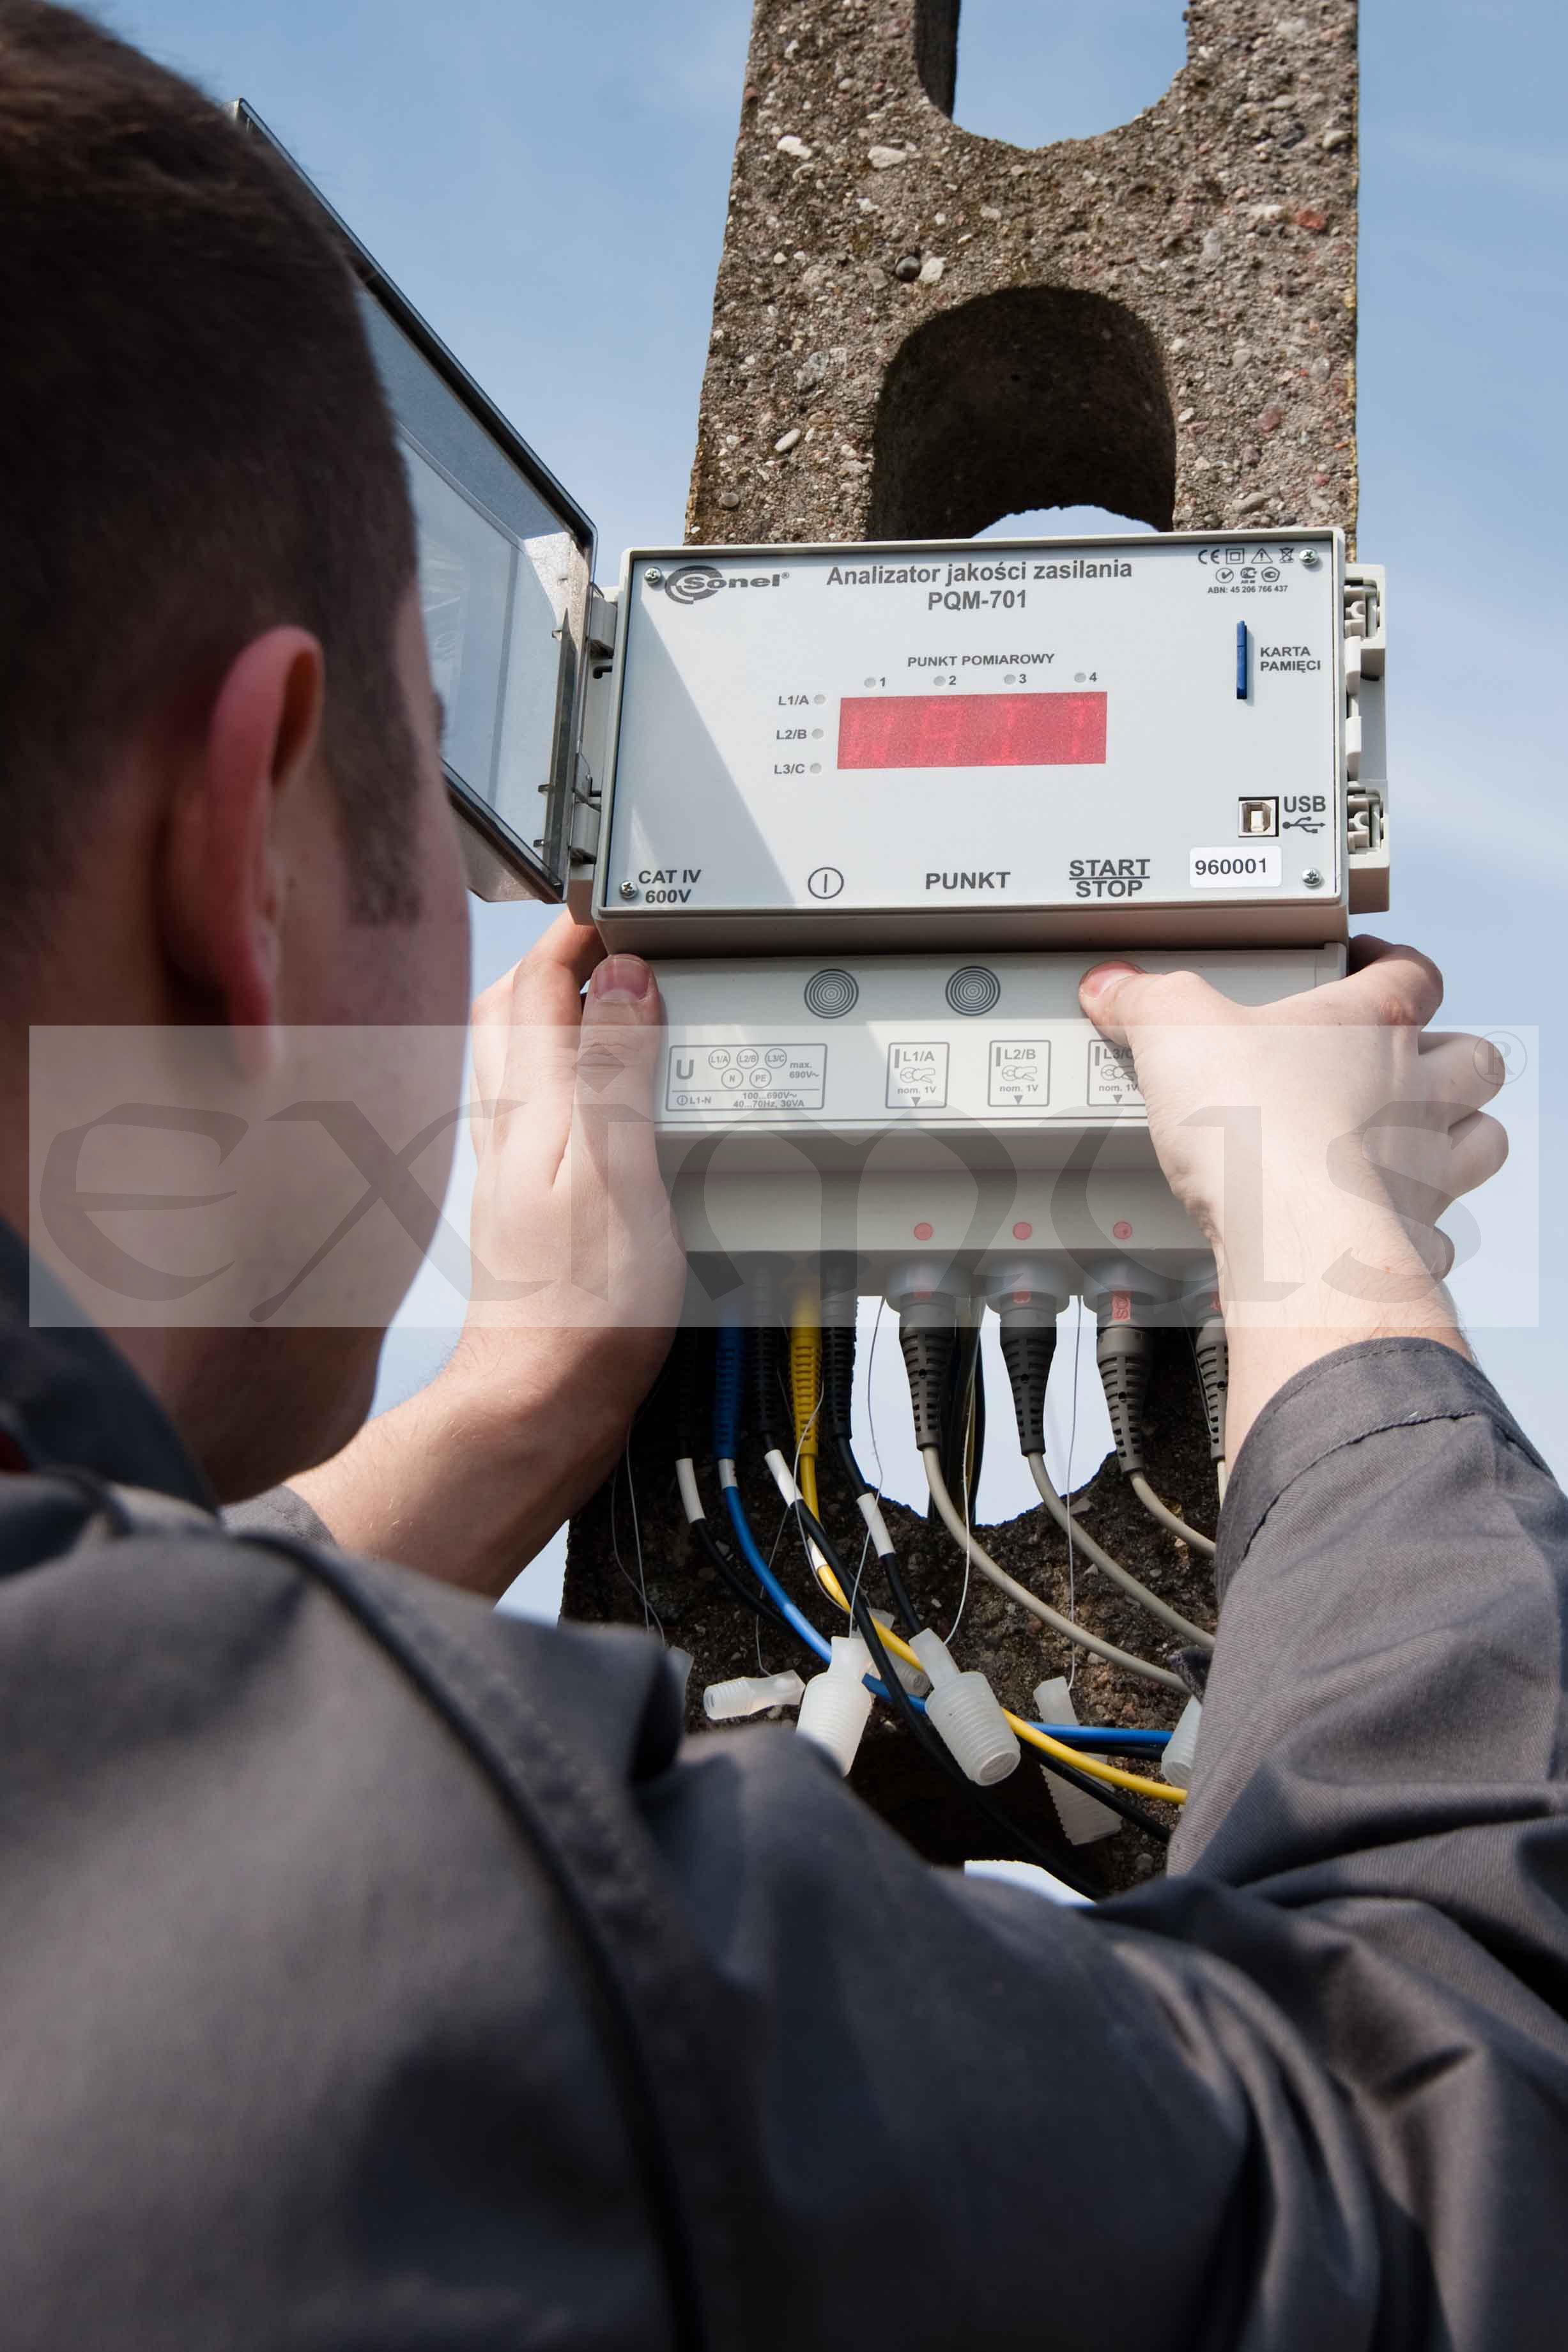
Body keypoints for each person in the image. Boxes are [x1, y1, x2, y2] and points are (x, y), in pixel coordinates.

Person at [0, 5, 1562, 2346]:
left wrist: (521, 1400)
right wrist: (1331, 1261)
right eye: (448, 799)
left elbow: (116, 1710)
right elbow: (1436, 2171)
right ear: (249, 840)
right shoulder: (467, 1925)